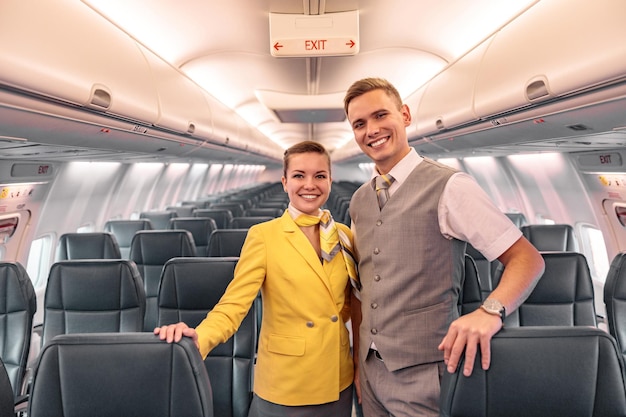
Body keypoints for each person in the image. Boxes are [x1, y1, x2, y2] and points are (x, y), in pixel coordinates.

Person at [344, 77, 545, 417]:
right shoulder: (360, 200)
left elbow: (527, 259)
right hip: (370, 371)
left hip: (426, 374)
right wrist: (357, 364)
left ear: (405, 115)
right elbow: (363, 291)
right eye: (360, 124)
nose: (372, 130)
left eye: (381, 115)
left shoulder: (451, 186)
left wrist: (490, 311)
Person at [155, 140, 356, 417]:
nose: (310, 184)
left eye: (319, 176)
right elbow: (234, 305)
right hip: (287, 381)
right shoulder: (264, 236)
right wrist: (198, 336)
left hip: (338, 376)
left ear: (330, 181)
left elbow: (353, 304)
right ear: (285, 182)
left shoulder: (344, 235)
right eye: (299, 175)